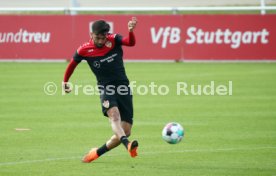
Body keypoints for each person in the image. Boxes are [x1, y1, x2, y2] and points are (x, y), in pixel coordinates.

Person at [63, 17, 138, 163]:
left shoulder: (114, 40)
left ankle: (97, 152)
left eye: (103, 37)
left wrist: (130, 31)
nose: (101, 40)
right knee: (114, 116)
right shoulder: (84, 49)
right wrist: (65, 81)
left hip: (123, 87)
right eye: (97, 37)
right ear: (91, 34)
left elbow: (131, 43)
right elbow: (72, 64)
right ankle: (127, 145)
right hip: (106, 88)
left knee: (126, 130)